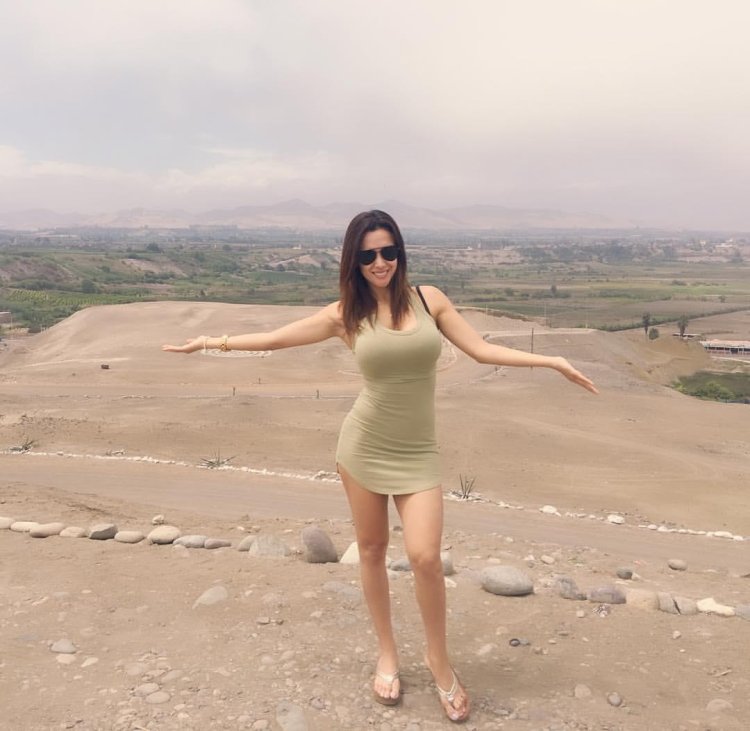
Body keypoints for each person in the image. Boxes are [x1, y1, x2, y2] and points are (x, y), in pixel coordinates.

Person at [163, 210, 597, 722]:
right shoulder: (345, 314)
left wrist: (552, 361)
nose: (380, 262)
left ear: (400, 252)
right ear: (354, 260)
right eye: (368, 255)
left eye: (388, 251)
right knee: (371, 551)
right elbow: (277, 338)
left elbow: (480, 350)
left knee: (425, 558)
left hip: (418, 453)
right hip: (364, 446)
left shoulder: (429, 300)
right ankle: (387, 654)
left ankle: (439, 661)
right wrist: (210, 343)